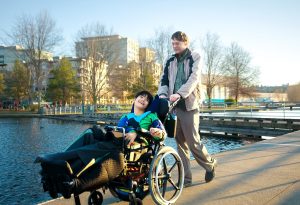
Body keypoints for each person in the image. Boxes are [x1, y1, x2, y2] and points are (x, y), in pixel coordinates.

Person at [40, 90, 166, 196]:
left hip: (136, 147)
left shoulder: (152, 117)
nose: (143, 99)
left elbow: (162, 134)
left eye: (147, 99)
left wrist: (147, 132)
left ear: (148, 105)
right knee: (91, 134)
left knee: (108, 153)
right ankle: (60, 164)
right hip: (118, 141)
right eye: (141, 96)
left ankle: (73, 182)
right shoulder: (125, 117)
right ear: (135, 99)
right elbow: (118, 131)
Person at [157, 31, 217, 187]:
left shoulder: (194, 56)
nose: (174, 46)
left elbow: (194, 78)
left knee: (193, 142)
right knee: (180, 144)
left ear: (185, 43)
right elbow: (163, 80)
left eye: (177, 43)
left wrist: (179, 94)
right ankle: (186, 179)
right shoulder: (169, 60)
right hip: (174, 107)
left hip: (189, 105)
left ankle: (210, 165)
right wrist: (163, 95)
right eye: (173, 43)